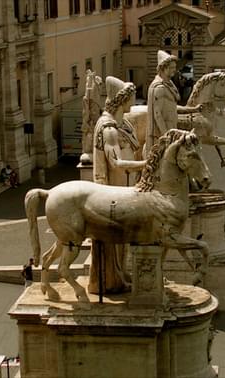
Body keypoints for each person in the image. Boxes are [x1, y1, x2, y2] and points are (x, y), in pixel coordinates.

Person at [89, 76, 147, 294]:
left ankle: (120, 273)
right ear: (121, 99)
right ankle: (112, 278)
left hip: (126, 190)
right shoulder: (109, 129)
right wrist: (145, 164)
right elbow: (115, 162)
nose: (134, 99)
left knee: (124, 239)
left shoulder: (125, 124)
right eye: (130, 96)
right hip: (114, 191)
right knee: (116, 239)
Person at [144, 50, 201, 157]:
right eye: (171, 68)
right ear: (163, 68)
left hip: (171, 129)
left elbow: (173, 107)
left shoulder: (168, 84)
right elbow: (158, 115)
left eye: (175, 67)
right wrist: (167, 136)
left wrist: (194, 109)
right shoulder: (160, 88)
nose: (174, 70)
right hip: (163, 134)